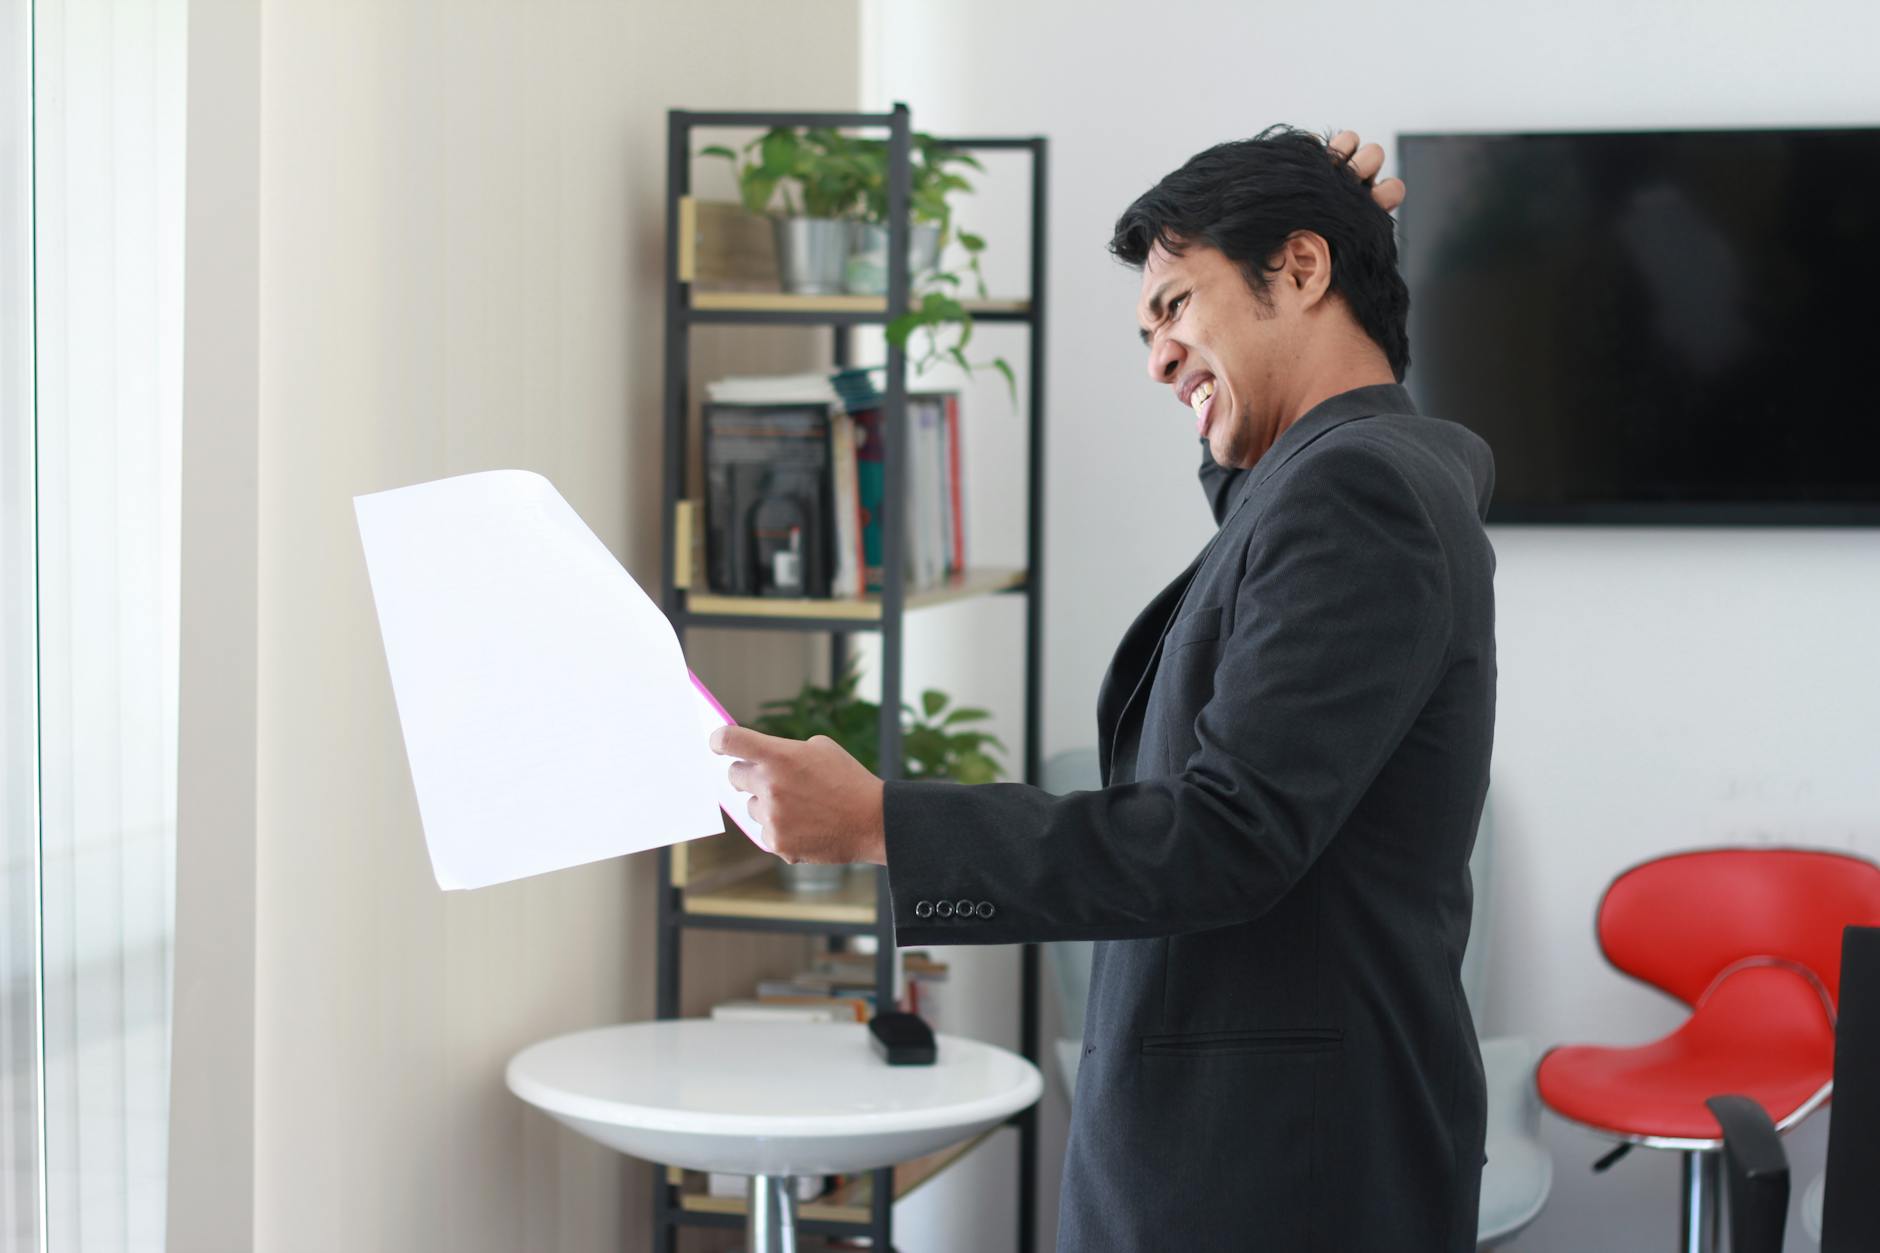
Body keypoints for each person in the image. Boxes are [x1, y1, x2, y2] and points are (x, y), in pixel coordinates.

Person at [710, 126, 1496, 1252]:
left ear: (1301, 269)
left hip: (1274, 1171)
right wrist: (1317, 227)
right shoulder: (1340, 484)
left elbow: (1227, 832)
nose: (1156, 356)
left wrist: (884, 822)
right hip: (1258, 1151)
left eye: (1176, 304)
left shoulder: (1356, 495)